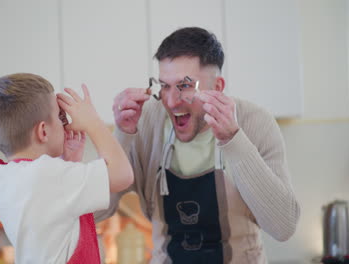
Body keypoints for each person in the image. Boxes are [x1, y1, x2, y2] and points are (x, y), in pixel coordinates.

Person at [95, 27, 300, 263]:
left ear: (217, 87)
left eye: (184, 86)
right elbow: (96, 212)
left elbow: (283, 227)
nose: (171, 102)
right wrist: (123, 134)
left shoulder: (255, 122)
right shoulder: (146, 122)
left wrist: (234, 141)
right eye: (164, 86)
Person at [0, 73, 133, 264]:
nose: (65, 124)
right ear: (43, 131)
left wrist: (69, 163)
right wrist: (93, 122)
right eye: (59, 117)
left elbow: (56, 223)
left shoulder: (9, 178)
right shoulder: (49, 176)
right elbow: (122, 175)